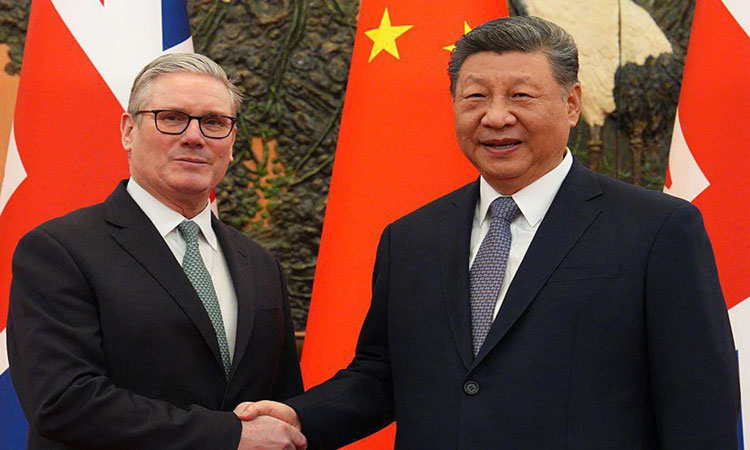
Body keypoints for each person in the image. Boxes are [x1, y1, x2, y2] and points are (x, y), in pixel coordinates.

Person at [237, 15, 740, 450]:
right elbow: (382, 373)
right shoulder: (411, 238)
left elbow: (698, 401)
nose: (496, 117)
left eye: (521, 95)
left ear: (571, 104)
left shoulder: (655, 229)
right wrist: (299, 417)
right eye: (475, 97)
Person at [7, 53, 306, 450]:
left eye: (215, 122)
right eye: (172, 118)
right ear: (128, 131)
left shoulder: (260, 264)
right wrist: (227, 435)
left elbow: (281, 406)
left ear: (232, 142)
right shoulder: (59, 250)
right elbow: (63, 401)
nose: (195, 136)